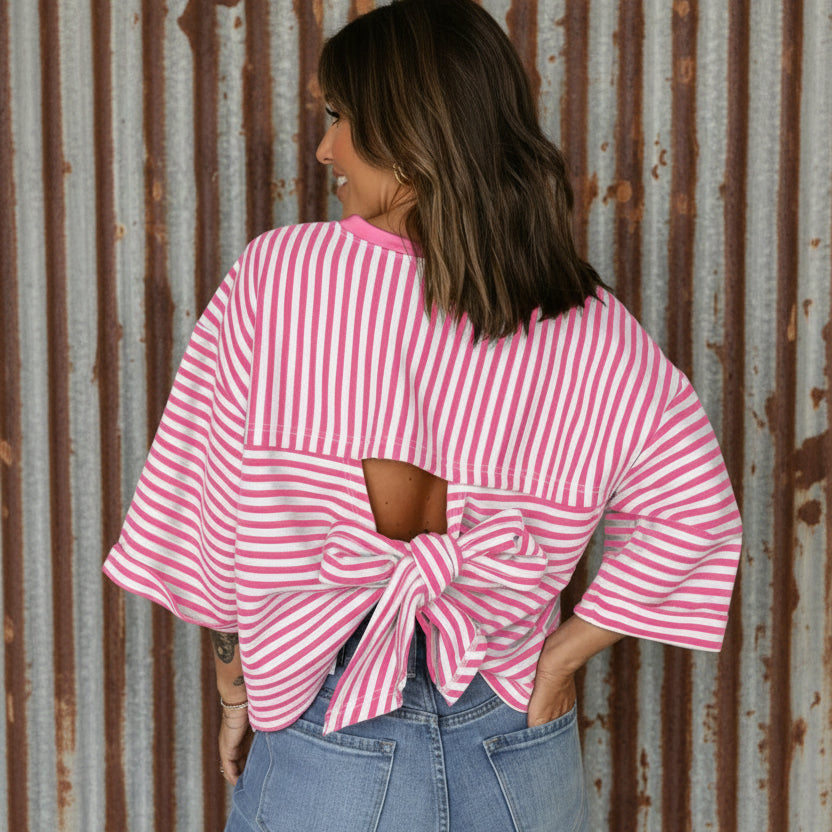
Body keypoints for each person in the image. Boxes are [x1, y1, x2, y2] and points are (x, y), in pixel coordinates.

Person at [104, 1, 742, 829]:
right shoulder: (583, 319)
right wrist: (557, 664)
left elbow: (207, 506)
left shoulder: (279, 280)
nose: (325, 146)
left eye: (340, 117)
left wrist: (236, 686)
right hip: (516, 737)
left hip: (325, 727)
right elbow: (692, 513)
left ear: (412, 132)